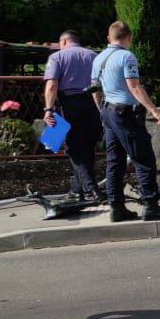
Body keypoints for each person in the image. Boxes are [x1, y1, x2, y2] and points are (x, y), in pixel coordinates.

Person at [92, 21, 160, 222]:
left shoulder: (99, 58)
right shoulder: (127, 57)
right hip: (125, 113)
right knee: (143, 158)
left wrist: (102, 113)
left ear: (108, 38)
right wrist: (155, 111)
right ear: (129, 38)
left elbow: (95, 90)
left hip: (107, 111)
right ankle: (150, 204)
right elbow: (135, 87)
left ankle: (116, 207)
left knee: (115, 161)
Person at [43, 31, 103, 203]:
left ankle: (92, 189)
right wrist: (98, 109)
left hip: (69, 105)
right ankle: (76, 191)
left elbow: (52, 84)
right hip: (91, 104)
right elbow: (97, 86)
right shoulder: (93, 55)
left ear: (63, 41)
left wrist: (48, 109)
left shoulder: (57, 57)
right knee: (87, 148)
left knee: (74, 149)